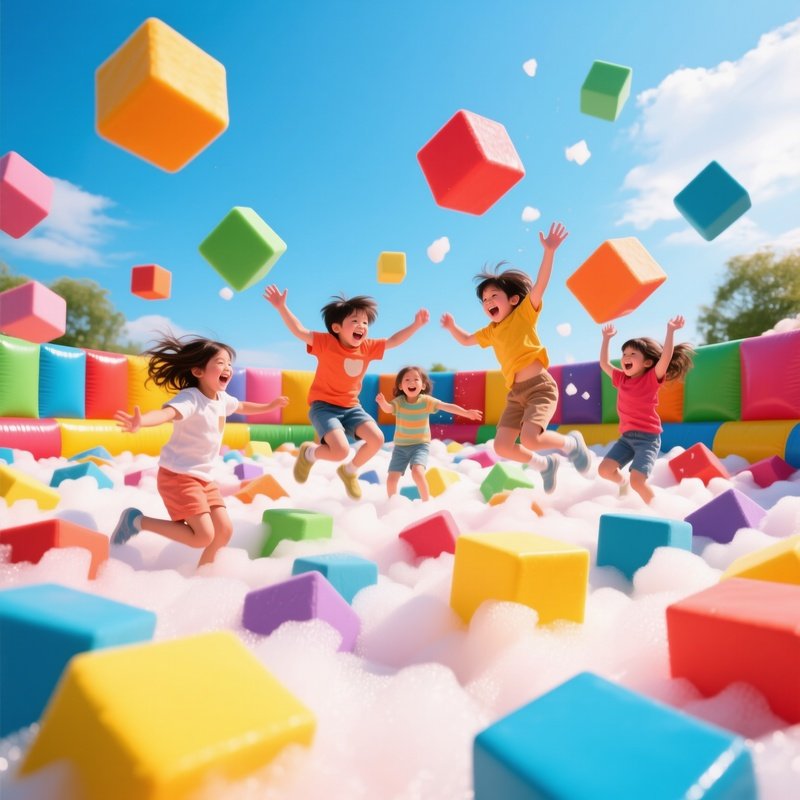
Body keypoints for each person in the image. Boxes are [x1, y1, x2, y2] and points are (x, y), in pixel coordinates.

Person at [110, 334, 289, 566]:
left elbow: (242, 406)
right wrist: (141, 421)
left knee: (224, 530)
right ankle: (136, 521)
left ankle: (202, 577)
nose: (227, 368)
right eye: (220, 363)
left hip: (204, 478)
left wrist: (269, 406)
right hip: (179, 476)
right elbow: (167, 414)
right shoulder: (191, 398)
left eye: (229, 364)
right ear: (198, 371)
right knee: (202, 537)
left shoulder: (222, 398)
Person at [440, 222, 590, 494]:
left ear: (513, 299)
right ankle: (545, 466)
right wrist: (452, 328)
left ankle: (572, 445)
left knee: (531, 438)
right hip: (516, 394)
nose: (488, 303)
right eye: (484, 300)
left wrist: (549, 252)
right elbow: (465, 340)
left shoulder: (523, 314)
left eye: (493, 296)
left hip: (540, 388)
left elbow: (540, 286)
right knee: (502, 446)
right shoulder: (491, 331)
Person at [264, 285, 429, 499]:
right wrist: (281, 307)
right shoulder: (326, 343)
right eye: (355, 321)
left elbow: (393, 341)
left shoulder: (368, 347)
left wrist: (415, 325)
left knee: (377, 439)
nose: (361, 326)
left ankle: (349, 471)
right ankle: (310, 453)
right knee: (340, 451)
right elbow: (299, 331)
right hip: (324, 407)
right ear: (336, 328)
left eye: (365, 322)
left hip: (351, 407)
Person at [598, 316, 694, 504]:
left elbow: (665, 357)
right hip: (626, 438)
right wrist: (607, 339)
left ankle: (657, 510)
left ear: (648, 363)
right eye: (624, 353)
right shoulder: (621, 379)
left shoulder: (651, 378)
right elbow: (604, 364)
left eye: (633, 354)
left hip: (647, 439)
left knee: (638, 481)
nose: (626, 357)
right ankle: (622, 483)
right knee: (604, 470)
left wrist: (671, 331)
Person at [376, 365, 483, 501]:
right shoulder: (399, 402)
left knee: (417, 472)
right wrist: (382, 403)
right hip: (400, 447)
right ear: (401, 386)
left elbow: (446, 406)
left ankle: (426, 502)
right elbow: (388, 409)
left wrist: (466, 413)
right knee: (391, 479)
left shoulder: (426, 401)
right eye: (407, 380)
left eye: (416, 379)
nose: (411, 383)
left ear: (423, 385)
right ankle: (392, 503)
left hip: (420, 445)